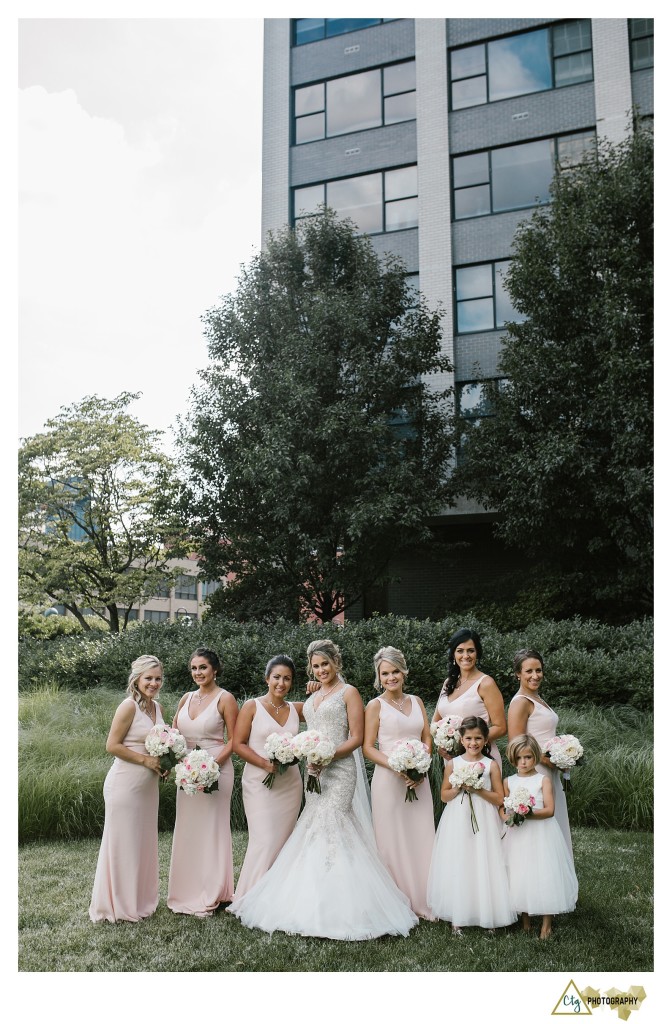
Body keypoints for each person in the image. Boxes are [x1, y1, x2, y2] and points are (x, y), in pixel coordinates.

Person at [228, 638, 418, 939]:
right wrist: (310, 756)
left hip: (340, 771)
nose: (320, 670)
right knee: (313, 825)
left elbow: (356, 738)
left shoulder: (349, 693)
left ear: (336, 663)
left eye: (325, 664)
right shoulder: (313, 698)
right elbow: (294, 719)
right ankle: (306, 899)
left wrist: (328, 756)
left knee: (336, 824)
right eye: (315, 666)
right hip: (314, 771)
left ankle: (349, 905)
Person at [89, 655, 167, 923]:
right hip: (124, 785)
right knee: (123, 844)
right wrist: (146, 760)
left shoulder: (157, 708)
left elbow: (161, 743)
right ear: (137, 679)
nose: (153, 683)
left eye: (157, 678)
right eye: (148, 678)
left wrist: (164, 763)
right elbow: (112, 745)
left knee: (143, 844)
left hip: (148, 789)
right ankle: (116, 905)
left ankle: (139, 900)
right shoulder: (128, 706)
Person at [363, 646, 435, 919]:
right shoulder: (375, 705)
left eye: (395, 672)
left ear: (403, 672)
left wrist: (420, 762)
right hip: (388, 780)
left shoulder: (416, 701)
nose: (391, 677)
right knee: (392, 840)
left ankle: (425, 896)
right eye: (385, 673)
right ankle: (397, 899)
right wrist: (396, 765)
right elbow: (368, 747)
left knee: (421, 834)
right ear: (378, 676)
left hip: (419, 779)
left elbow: (427, 736)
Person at [427, 716, 516, 933]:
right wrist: (460, 787)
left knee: (483, 860)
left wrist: (478, 789)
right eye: (468, 738)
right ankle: (458, 914)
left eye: (478, 738)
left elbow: (498, 799)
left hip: (484, 818)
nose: (473, 743)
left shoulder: (490, 765)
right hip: (457, 817)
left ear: (486, 740)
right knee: (460, 860)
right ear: (461, 739)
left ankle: (489, 913)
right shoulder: (453, 763)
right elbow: (444, 796)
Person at [167, 647, 238, 916]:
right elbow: (174, 734)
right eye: (194, 668)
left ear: (215, 669)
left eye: (203, 668)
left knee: (212, 829)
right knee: (188, 829)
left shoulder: (225, 698)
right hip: (187, 773)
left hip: (217, 770)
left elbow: (234, 739)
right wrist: (173, 761)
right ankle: (186, 891)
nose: (198, 673)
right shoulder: (186, 698)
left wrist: (212, 765)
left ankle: (214, 891)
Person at [232, 654, 304, 898]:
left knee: (284, 839)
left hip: (290, 783)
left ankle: (278, 897)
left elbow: (327, 705)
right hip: (258, 782)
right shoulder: (252, 706)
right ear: (267, 679)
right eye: (276, 677)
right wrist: (264, 763)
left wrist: (317, 686)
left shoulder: (296, 709)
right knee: (264, 838)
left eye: (287, 679)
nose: (281, 683)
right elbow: (238, 744)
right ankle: (251, 895)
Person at [501, 734, 578, 939]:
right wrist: (510, 816)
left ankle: (546, 924)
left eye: (527, 757)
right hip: (518, 835)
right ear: (512, 759)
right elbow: (503, 809)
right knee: (520, 871)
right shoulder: (508, 781)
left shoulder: (543, 780)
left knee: (544, 873)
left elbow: (549, 810)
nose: (523, 762)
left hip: (541, 833)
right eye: (518, 758)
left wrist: (526, 813)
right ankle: (525, 921)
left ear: (535, 756)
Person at [507, 649, 573, 855]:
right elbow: (516, 745)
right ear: (518, 673)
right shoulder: (520, 702)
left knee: (552, 825)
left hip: (549, 770)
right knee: (539, 830)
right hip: (535, 772)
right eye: (529, 671)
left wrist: (563, 754)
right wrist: (550, 761)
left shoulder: (537, 698)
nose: (535, 676)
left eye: (539, 670)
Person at [432, 628, 506, 770]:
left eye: (470, 650)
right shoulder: (448, 683)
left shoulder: (486, 683)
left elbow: (501, 727)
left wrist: (468, 742)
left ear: (477, 653)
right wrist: (441, 745)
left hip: (481, 760)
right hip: (452, 760)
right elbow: (435, 722)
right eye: (460, 651)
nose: (465, 655)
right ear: (453, 654)